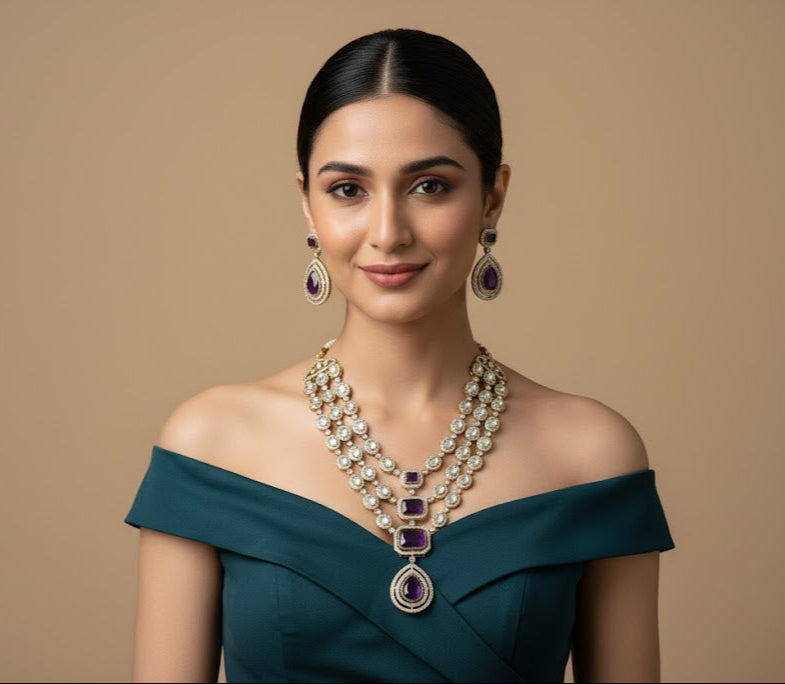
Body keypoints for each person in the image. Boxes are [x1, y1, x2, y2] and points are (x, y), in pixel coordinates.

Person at [124, 27, 675, 683]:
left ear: (491, 196)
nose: (387, 232)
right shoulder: (211, 443)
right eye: (348, 190)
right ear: (306, 201)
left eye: (430, 186)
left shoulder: (590, 454)